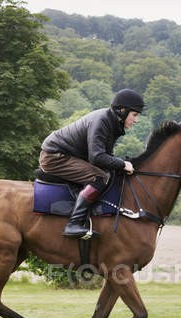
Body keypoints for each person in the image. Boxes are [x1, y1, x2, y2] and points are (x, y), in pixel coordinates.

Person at [38, 88, 144, 238]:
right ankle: (73, 224)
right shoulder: (102, 121)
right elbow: (97, 157)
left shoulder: (113, 122)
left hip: (67, 155)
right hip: (55, 156)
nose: (136, 120)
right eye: (134, 115)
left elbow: (106, 155)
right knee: (99, 178)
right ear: (122, 110)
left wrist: (119, 165)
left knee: (108, 173)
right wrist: (122, 164)